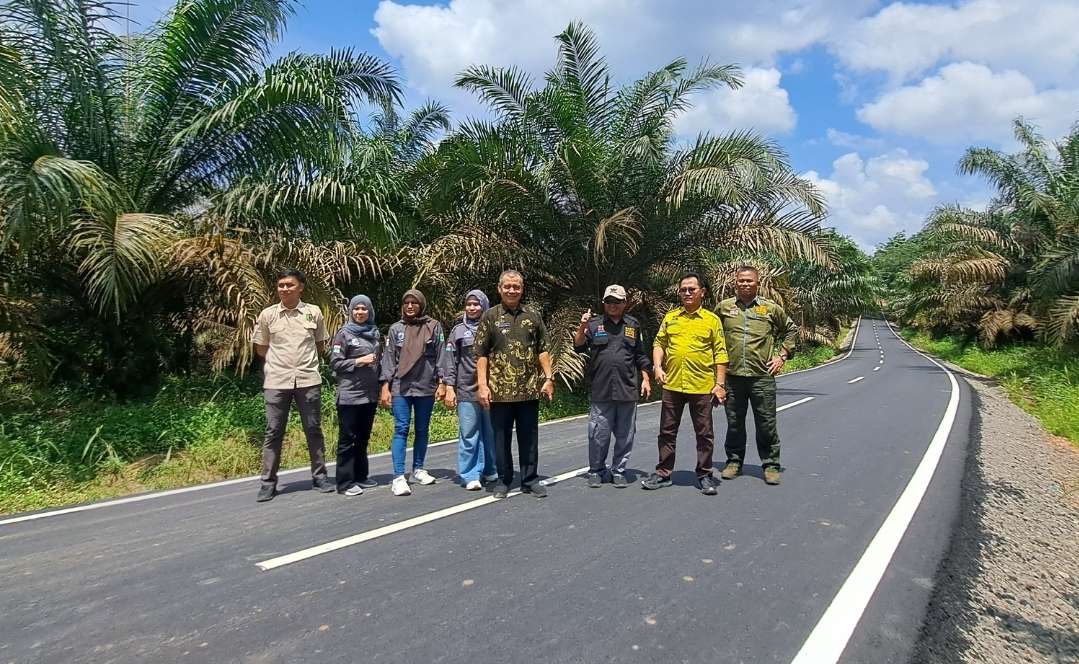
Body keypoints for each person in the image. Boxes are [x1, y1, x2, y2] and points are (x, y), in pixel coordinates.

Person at [251, 269, 334, 502]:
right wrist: (280, 364)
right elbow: (261, 347)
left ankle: (320, 476)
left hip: (308, 380)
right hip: (277, 381)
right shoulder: (268, 315)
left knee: (314, 429)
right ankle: (268, 482)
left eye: (289, 285)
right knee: (273, 431)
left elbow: (319, 344)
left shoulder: (313, 313)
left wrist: (303, 364)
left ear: (300, 288)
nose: (284, 289)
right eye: (281, 285)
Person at [641, 272, 728, 495]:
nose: (687, 293)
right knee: (667, 431)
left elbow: (720, 353)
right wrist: (658, 367)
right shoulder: (671, 318)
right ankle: (663, 473)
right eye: (683, 289)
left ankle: (705, 475)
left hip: (702, 386)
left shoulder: (711, 320)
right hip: (672, 385)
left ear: (702, 292)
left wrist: (719, 384)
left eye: (692, 289)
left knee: (704, 434)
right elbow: (659, 343)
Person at [474, 270, 554, 499]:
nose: (512, 290)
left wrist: (548, 378)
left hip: (529, 389)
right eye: (507, 286)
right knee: (501, 438)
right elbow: (480, 354)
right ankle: (503, 480)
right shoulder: (490, 316)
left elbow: (543, 349)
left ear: (522, 289)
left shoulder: (533, 316)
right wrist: (482, 385)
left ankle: (530, 479)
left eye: (516, 287)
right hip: (499, 390)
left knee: (529, 437)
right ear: (499, 289)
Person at [717, 266, 798, 485]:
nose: (745, 284)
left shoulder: (770, 308)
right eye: (741, 280)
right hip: (733, 377)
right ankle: (734, 462)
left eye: (749, 281)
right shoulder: (724, 308)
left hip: (761, 376)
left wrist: (782, 355)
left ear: (757, 283)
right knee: (734, 423)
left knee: (766, 423)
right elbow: (712, 335)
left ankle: (771, 465)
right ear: (735, 282)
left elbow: (791, 329)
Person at [573, 284, 652, 488]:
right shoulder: (594, 324)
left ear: (625, 303)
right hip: (602, 388)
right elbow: (578, 345)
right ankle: (596, 470)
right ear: (604, 303)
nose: (613, 305)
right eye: (609, 301)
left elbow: (640, 355)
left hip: (627, 388)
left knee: (626, 434)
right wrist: (582, 326)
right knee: (598, 433)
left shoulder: (633, 325)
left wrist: (646, 378)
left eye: (617, 302)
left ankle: (618, 470)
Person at [380, 289, 445, 497]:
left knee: (422, 429)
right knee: (401, 428)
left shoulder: (433, 327)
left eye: (414, 303)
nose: (410, 306)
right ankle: (399, 476)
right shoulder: (395, 329)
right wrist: (385, 387)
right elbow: (389, 359)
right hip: (401, 386)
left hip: (426, 386)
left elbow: (441, 355)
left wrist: (443, 382)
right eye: (406, 302)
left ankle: (418, 468)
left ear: (421, 305)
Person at [440, 290, 498, 490]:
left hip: (491, 389)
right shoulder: (458, 331)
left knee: (491, 432)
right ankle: (470, 474)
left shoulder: (494, 327)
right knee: (469, 433)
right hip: (466, 389)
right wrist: (449, 387)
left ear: (484, 305)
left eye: (476, 304)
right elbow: (449, 361)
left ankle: (491, 469)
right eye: (469, 304)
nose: (472, 308)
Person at [329, 294, 382, 496]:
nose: (360, 312)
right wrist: (359, 361)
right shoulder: (343, 334)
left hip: (369, 395)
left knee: (363, 438)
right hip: (350, 395)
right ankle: (344, 483)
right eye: (356, 309)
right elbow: (335, 362)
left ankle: (361, 475)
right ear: (351, 311)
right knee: (347, 439)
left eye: (364, 309)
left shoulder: (374, 333)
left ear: (370, 311)